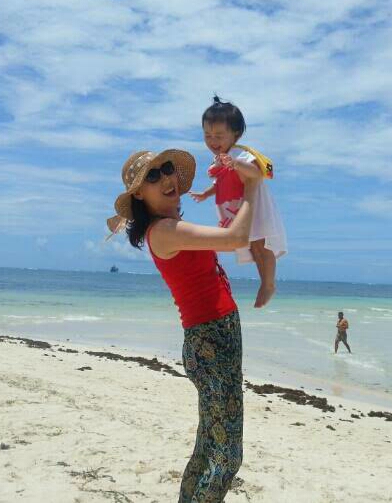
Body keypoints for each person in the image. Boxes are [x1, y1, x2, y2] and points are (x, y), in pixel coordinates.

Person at [107, 148, 258, 502]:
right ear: (140, 194)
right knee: (226, 456)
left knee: (208, 448)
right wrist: (252, 186)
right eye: (153, 176)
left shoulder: (169, 228)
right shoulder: (164, 231)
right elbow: (237, 239)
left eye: (167, 169)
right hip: (210, 341)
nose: (166, 177)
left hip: (213, 339)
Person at [190, 95, 287, 308]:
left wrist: (236, 164)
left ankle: (268, 284)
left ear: (236, 133)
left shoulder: (238, 154)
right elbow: (222, 183)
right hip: (238, 209)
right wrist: (206, 193)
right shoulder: (221, 158)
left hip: (255, 207)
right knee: (253, 247)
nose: (213, 141)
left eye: (219, 136)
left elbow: (256, 173)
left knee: (262, 246)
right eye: (207, 136)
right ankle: (264, 282)